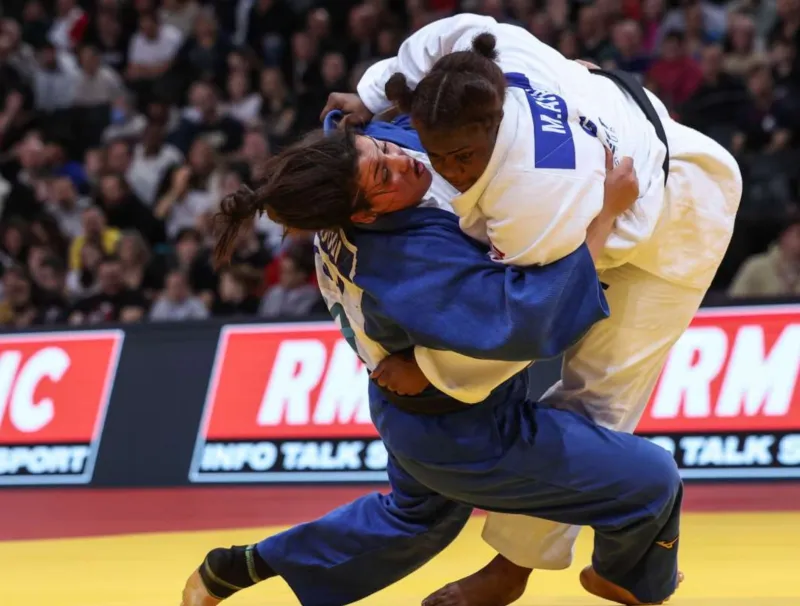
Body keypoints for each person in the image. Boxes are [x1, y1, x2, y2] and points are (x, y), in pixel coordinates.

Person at [317, 13, 741, 605]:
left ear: (493, 127)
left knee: (598, 398)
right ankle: (528, 567)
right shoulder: (489, 55)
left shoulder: (535, 197)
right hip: (624, 122)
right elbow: (442, 38)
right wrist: (370, 92)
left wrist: (435, 372)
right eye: (434, 150)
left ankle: (520, 572)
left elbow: (526, 324)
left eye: (462, 157)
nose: (445, 169)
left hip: (677, 214)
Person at [181, 116, 681, 606]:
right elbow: (534, 320)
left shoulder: (357, 161)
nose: (401, 161)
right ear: (363, 216)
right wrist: (608, 213)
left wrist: (368, 98)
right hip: (461, 432)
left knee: (412, 522)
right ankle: (631, 581)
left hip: (406, 408)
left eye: (381, 151)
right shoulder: (405, 258)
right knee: (650, 483)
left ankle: (238, 567)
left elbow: (375, 114)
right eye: (383, 175)